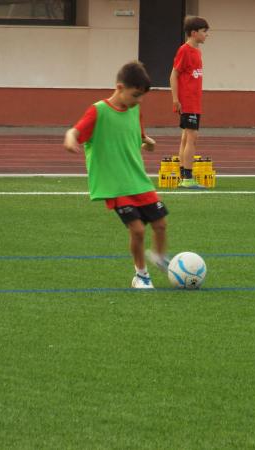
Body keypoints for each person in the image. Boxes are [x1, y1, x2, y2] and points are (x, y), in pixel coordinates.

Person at [64, 61, 170, 289]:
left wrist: (148, 142)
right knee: (138, 229)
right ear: (119, 87)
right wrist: (71, 138)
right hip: (115, 184)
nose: (139, 101)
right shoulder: (98, 111)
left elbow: (138, 135)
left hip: (138, 180)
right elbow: (76, 130)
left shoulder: (135, 110)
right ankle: (141, 275)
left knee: (160, 224)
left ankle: (160, 257)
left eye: (142, 96)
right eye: (135, 95)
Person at [169, 16, 210, 189]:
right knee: (192, 138)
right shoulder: (184, 50)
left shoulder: (197, 52)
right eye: (204, 32)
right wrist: (175, 99)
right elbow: (174, 74)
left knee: (187, 137)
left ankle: (182, 175)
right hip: (188, 101)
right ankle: (187, 177)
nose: (207, 35)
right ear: (194, 33)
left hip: (195, 100)